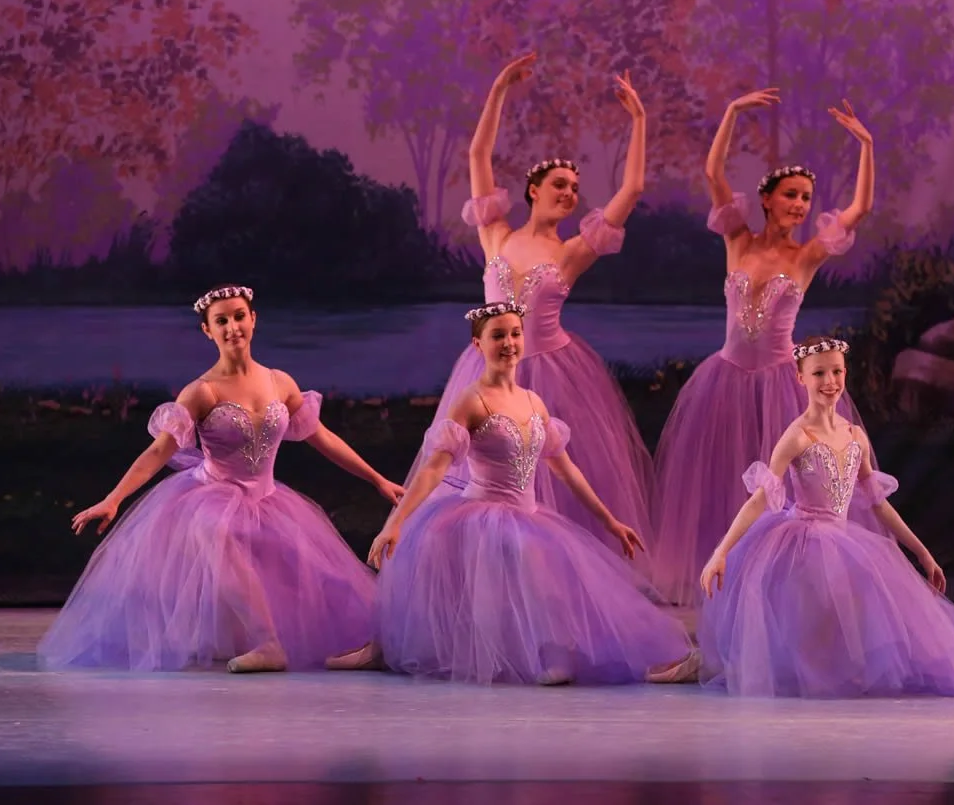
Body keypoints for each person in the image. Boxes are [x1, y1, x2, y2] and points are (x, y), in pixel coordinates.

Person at [38, 285, 403, 673]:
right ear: (207, 330)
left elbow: (322, 437)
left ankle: (373, 640)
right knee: (214, 531)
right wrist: (114, 498)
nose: (233, 327)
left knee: (314, 566)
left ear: (253, 319)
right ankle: (267, 644)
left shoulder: (279, 382)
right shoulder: (202, 391)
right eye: (222, 321)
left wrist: (377, 479)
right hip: (212, 493)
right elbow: (158, 452)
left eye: (239, 316)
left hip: (267, 497)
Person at [327, 302, 692, 686]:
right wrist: (396, 523)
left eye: (515, 334)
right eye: (498, 335)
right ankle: (514, 656)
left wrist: (610, 520)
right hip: (481, 513)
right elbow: (434, 468)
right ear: (478, 344)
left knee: (550, 573)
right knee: (520, 567)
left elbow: (565, 468)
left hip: (528, 513)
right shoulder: (472, 400)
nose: (509, 343)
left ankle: (550, 652)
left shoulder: (533, 401)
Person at [653, 337, 954, 698]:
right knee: (802, 617)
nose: (829, 381)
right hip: (801, 540)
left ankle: (818, 669)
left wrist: (922, 553)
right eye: (819, 373)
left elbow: (878, 504)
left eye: (836, 371)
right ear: (801, 378)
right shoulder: (797, 435)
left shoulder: (855, 436)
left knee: (858, 613)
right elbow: (759, 499)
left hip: (841, 537)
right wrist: (721, 552)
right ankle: (712, 663)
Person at [404, 53, 656, 573]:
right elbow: (478, 153)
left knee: (552, 480)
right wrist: (498, 89)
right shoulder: (494, 233)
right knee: (472, 473)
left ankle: (555, 576)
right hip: (487, 370)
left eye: (575, 189)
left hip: (551, 372)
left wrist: (639, 121)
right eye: (559, 185)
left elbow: (631, 190)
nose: (569, 194)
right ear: (533, 189)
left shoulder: (572, 252)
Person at [649, 88, 879, 604]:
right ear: (767, 199)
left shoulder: (806, 255)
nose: (799, 205)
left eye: (806, 198)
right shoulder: (737, 239)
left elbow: (861, 207)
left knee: (784, 489)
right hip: (725, 378)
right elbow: (712, 173)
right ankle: (723, 579)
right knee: (724, 483)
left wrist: (865, 145)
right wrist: (731, 112)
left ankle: (780, 588)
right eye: (791, 195)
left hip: (779, 381)